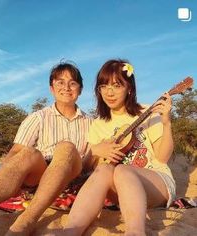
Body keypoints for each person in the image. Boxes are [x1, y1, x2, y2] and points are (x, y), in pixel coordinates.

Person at [0, 62, 92, 236]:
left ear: (80, 89)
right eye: (60, 82)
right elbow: (16, 153)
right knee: (29, 153)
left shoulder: (91, 123)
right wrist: (8, 179)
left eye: (72, 83)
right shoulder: (38, 118)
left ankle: (25, 221)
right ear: (52, 88)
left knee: (66, 147)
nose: (66, 87)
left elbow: (91, 160)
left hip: (71, 173)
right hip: (40, 175)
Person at [63, 59, 176, 236]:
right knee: (103, 170)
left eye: (117, 85)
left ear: (129, 88)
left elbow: (162, 158)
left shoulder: (147, 111)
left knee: (123, 170)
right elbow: (90, 169)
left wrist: (166, 122)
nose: (109, 92)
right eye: (104, 86)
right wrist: (95, 152)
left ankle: (135, 232)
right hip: (120, 191)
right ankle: (71, 231)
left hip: (155, 182)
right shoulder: (98, 125)